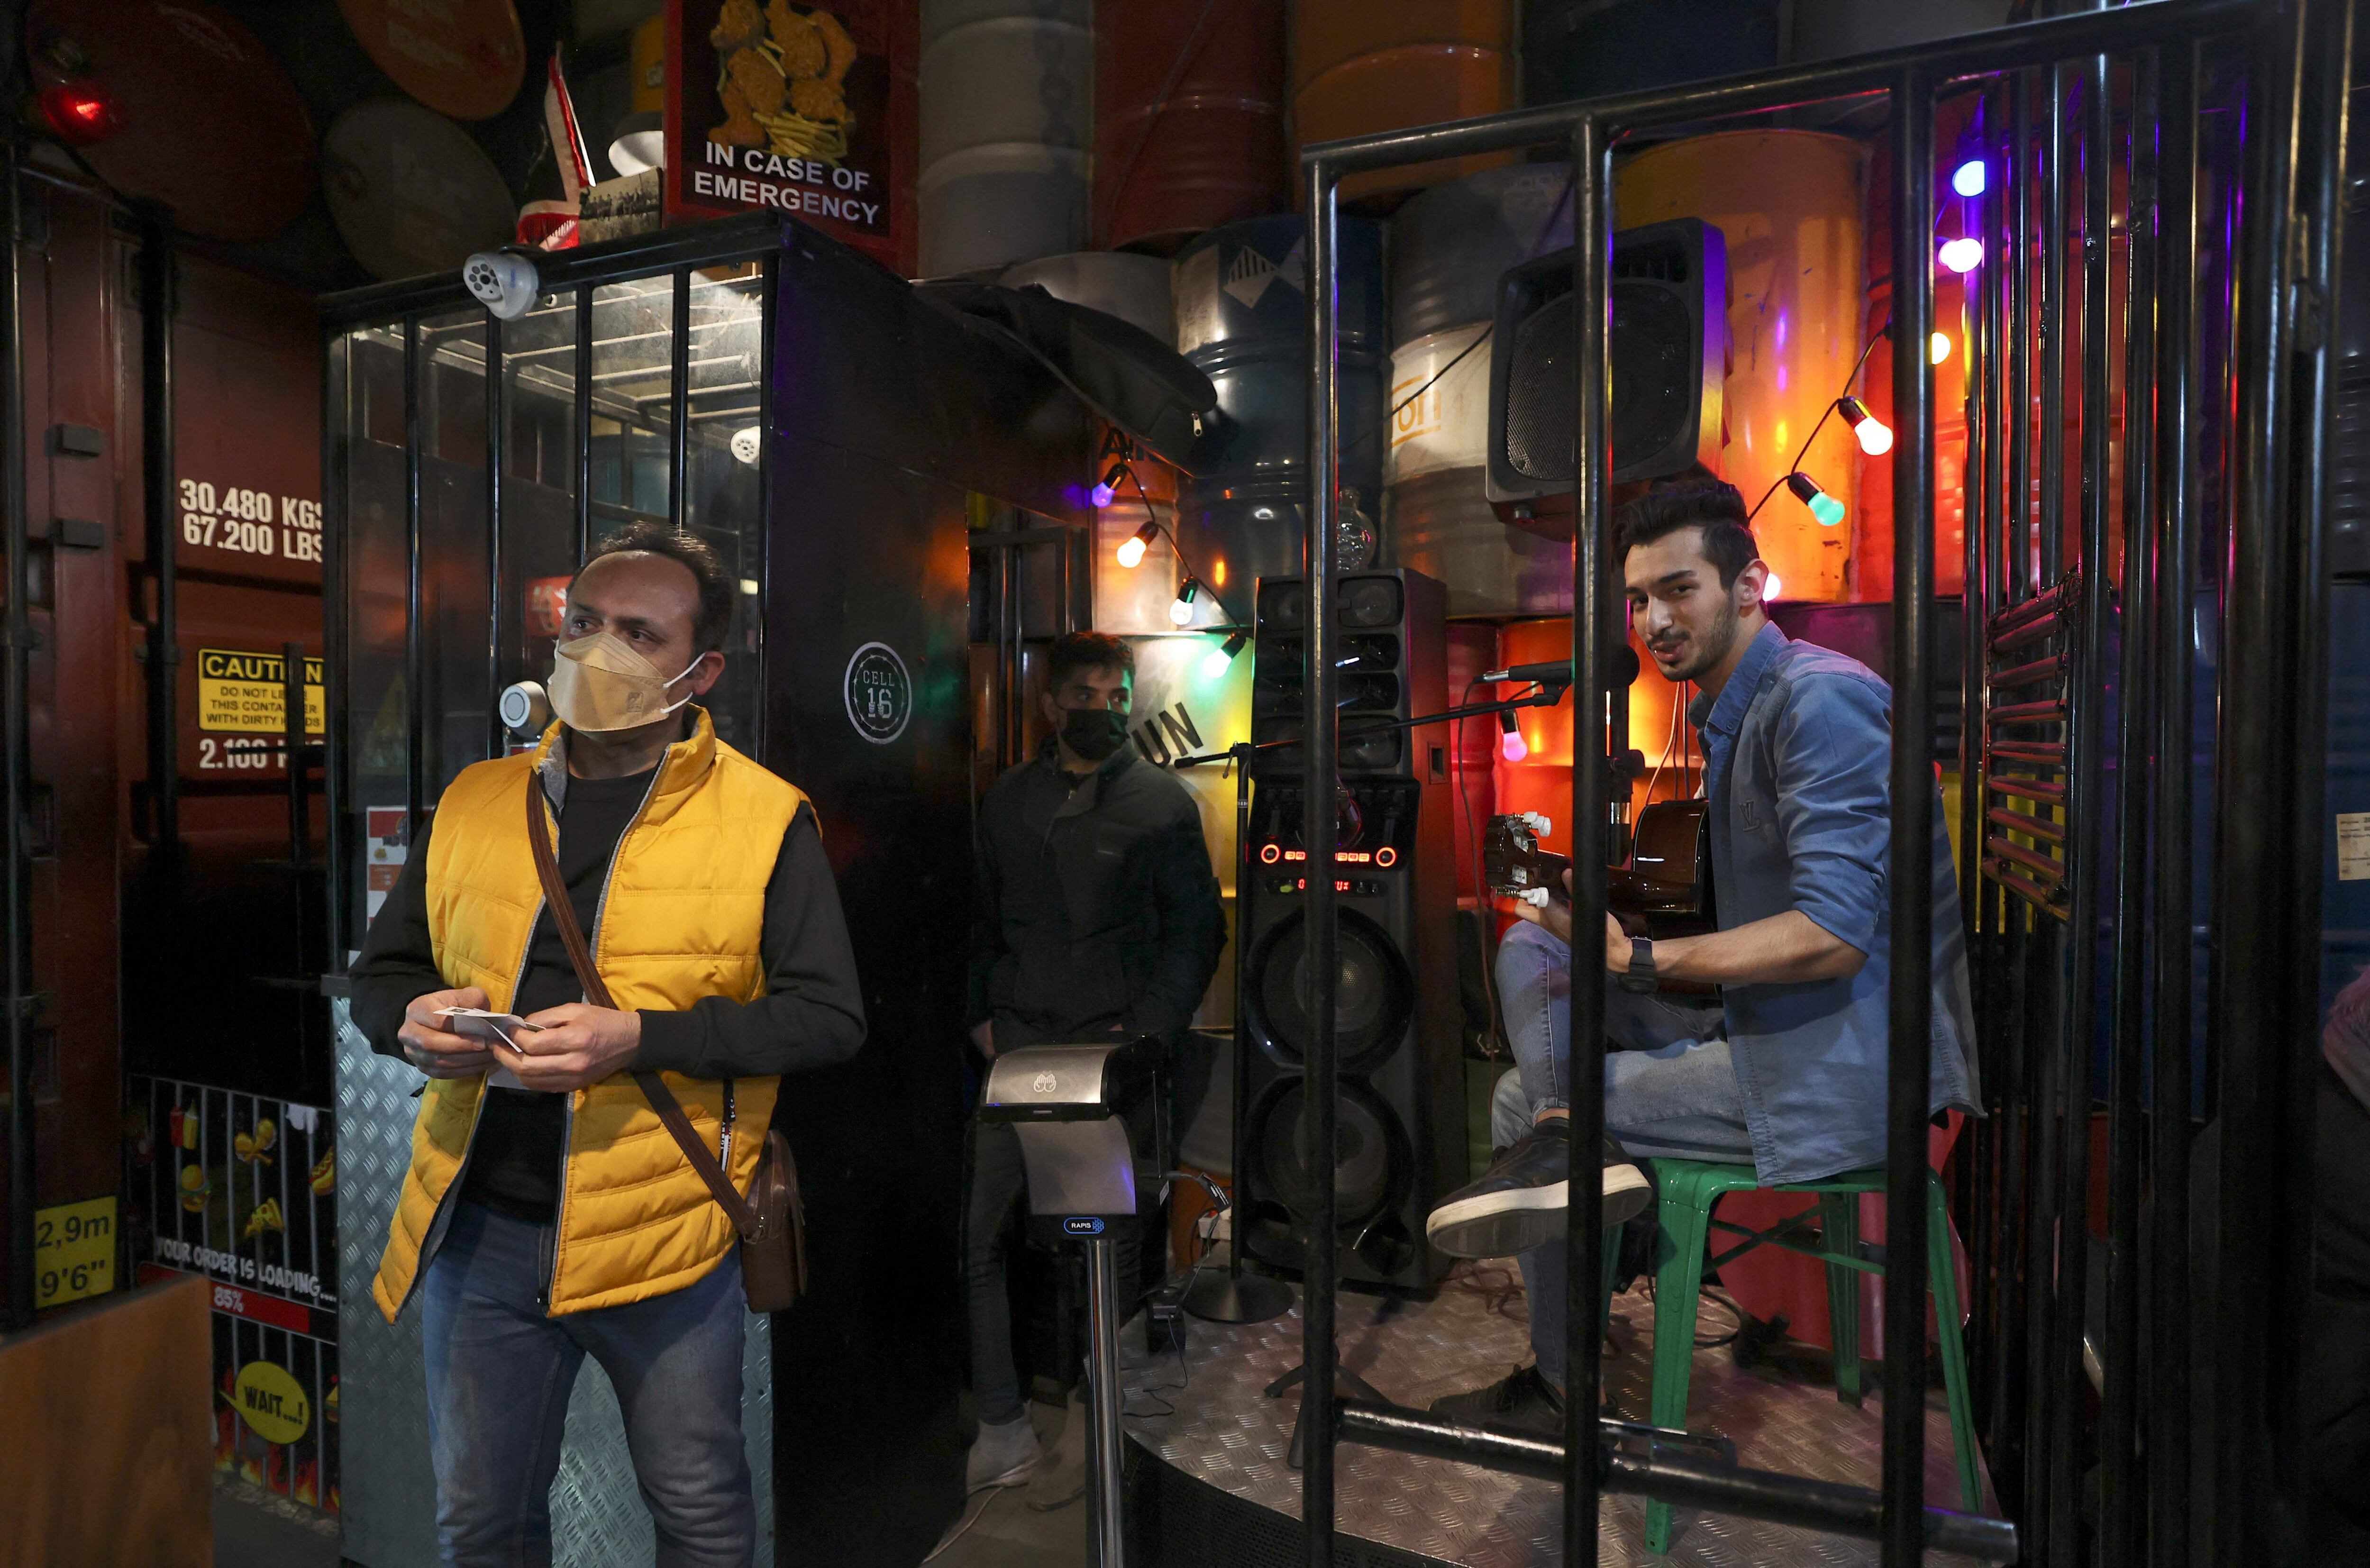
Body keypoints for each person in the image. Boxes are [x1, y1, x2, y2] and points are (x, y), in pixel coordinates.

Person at [352, 520, 866, 1567]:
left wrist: (639, 1038)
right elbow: (383, 975)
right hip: (483, 1227)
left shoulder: (766, 821)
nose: (599, 650)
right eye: (583, 622)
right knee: (481, 1525)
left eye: (640, 633)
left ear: (701, 670)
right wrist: (410, 1025)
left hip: (666, 1234)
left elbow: (828, 1017)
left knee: (701, 1516)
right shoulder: (475, 800)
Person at [1425, 479, 1980, 1432]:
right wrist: (1599, 917)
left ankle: (1563, 1381)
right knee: (1531, 940)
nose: (1654, 621)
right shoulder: (1735, 713)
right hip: (1765, 1025)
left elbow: (1833, 933)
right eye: (1640, 598)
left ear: (1749, 586)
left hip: (1844, 1068)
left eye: (1679, 590)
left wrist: (1640, 962)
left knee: (1515, 1099)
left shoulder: (1819, 701)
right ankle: (1570, 1133)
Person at [961, 631, 1227, 1493]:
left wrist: (1146, 1036)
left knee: (1107, 1250)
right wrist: (981, 1019)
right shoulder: (1009, 801)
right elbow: (980, 918)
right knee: (980, 1241)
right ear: (1051, 705)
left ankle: (1095, 1421)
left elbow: (1197, 933)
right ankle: (1002, 1428)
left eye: (1116, 697)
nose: (1102, 711)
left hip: (1111, 1058)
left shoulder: (1161, 803)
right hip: (1017, 1051)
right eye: (1083, 696)